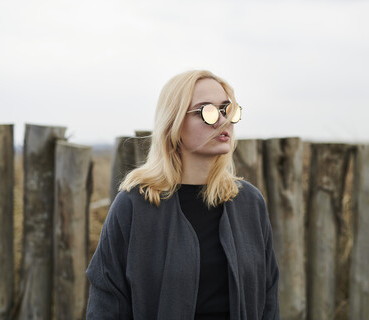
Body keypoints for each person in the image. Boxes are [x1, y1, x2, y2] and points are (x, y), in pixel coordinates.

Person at [86, 70, 280, 319]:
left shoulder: (249, 203)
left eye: (226, 109)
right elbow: (107, 304)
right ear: (174, 123)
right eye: (207, 111)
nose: (223, 120)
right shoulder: (135, 205)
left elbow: (269, 300)